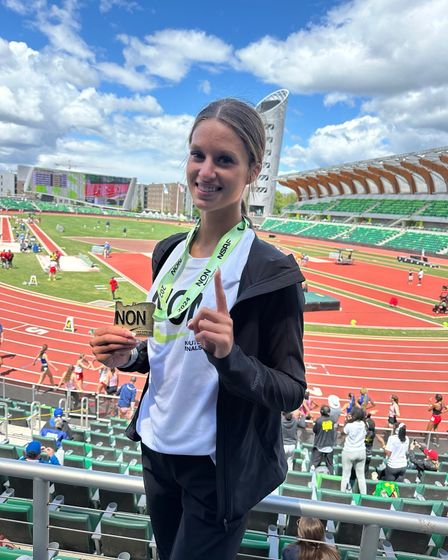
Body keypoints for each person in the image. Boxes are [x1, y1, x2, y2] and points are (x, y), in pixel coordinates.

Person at [90, 97, 306, 560]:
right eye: (197, 155)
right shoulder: (166, 252)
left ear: (252, 170)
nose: (206, 171)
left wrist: (231, 357)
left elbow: (291, 391)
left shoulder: (271, 272)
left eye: (225, 159)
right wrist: (124, 355)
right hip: (155, 449)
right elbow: (158, 349)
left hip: (215, 467)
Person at [340, 406, 367, 495]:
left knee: (345, 476)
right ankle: (364, 496)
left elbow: (342, 432)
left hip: (349, 451)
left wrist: (346, 421)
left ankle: (342, 495)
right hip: (361, 451)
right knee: (361, 476)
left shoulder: (349, 425)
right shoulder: (364, 424)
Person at [310, 406, 335, 474]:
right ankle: (331, 477)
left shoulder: (319, 420)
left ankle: (310, 476)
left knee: (314, 464)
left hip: (319, 446)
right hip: (329, 446)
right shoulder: (332, 420)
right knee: (330, 465)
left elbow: (315, 430)